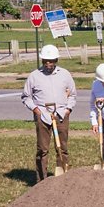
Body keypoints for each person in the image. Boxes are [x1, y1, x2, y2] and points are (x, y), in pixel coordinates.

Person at [21, 44, 77, 181]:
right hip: (43, 115)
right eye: (45, 60)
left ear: (56, 60)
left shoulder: (65, 74)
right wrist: (36, 110)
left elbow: (73, 95)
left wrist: (68, 109)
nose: (48, 63)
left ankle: (62, 176)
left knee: (62, 148)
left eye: (51, 61)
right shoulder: (34, 76)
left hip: (61, 114)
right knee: (42, 149)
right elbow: (26, 96)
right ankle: (41, 180)